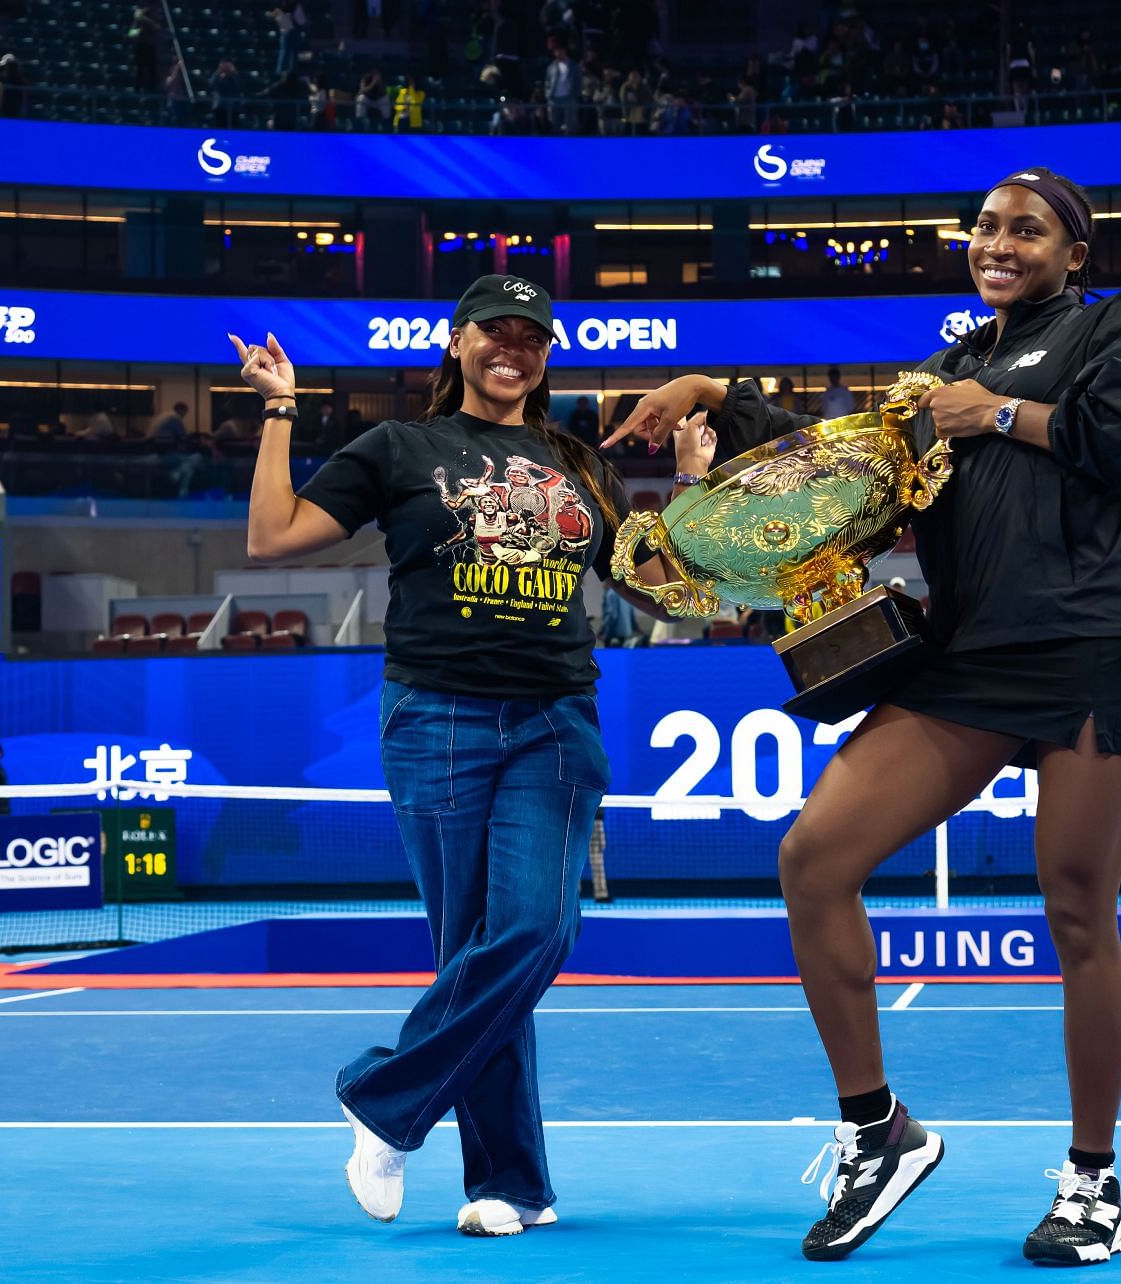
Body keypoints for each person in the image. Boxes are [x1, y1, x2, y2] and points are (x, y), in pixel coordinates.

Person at [606, 165, 1121, 1266]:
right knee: (815, 857)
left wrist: (1000, 415)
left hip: (1093, 652)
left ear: (1073, 252)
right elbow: (844, 472)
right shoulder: (946, 371)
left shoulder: (1117, 329)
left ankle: (1093, 1185)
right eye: (985, 227)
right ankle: (880, 1132)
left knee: (1076, 913)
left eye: (1027, 230)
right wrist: (714, 394)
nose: (999, 243)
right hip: (967, 661)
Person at [228, 275, 693, 1239]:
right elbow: (272, 538)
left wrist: (692, 486)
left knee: (532, 933)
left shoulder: (578, 464)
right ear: (459, 341)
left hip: (556, 722)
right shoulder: (401, 448)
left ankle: (383, 1101)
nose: (511, 348)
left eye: (531, 335)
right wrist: (281, 408)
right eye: (495, 330)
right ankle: (512, 1185)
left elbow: (677, 596)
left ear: (546, 352)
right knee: (477, 950)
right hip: (437, 716)